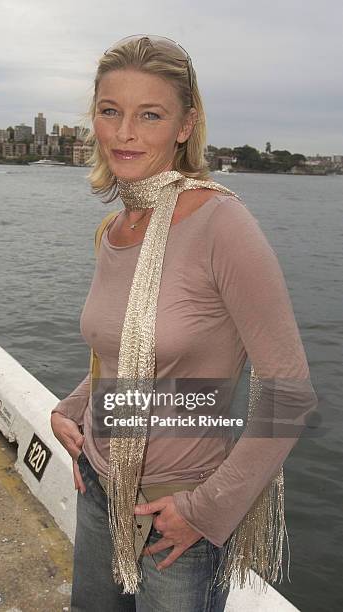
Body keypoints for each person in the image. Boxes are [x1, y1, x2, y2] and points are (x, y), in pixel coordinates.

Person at [50, 35, 318, 612]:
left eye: (150, 115)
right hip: (98, 487)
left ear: (184, 125)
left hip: (178, 518)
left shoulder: (223, 224)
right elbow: (120, 356)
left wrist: (206, 511)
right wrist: (72, 408)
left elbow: (289, 392)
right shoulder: (118, 228)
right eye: (110, 111)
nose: (125, 133)